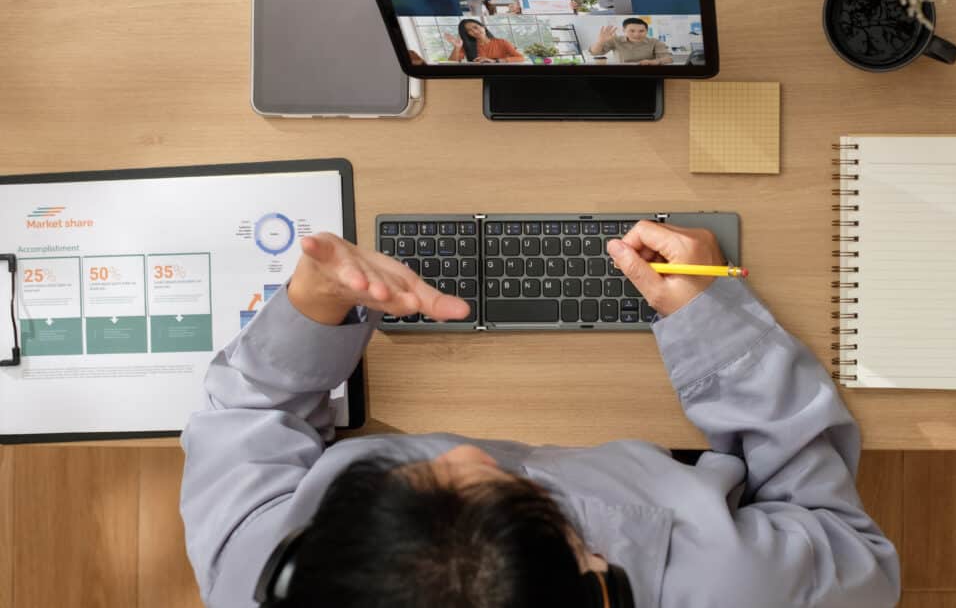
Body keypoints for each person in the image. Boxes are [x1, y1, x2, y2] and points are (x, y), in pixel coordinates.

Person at [180, 221, 901, 608]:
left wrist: (315, 302)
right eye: (516, 498)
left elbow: (244, 406)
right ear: (596, 585)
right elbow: (847, 543)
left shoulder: (254, 565)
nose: (464, 455)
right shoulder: (734, 586)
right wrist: (719, 331)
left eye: (397, 481)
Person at [590, 18, 672, 65]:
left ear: (647, 31)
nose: (637, 34)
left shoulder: (655, 42)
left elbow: (668, 59)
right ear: (624, 30)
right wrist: (600, 42)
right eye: (632, 31)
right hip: (622, 74)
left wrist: (653, 62)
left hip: (647, 73)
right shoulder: (615, 40)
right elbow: (595, 53)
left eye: (641, 31)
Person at [444, 18, 525, 63]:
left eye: (476, 27)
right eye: (469, 31)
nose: (475, 31)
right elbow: (452, 63)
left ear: (483, 27)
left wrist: (495, 61)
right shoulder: (466, 46)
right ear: (467, 34)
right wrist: (457, 47)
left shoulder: (502, 42)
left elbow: (520, 58)